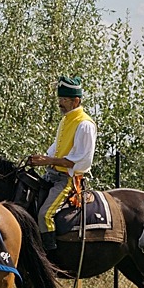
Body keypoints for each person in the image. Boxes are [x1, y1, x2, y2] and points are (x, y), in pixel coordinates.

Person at [27, 75, 96, 253]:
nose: (60, 103)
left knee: (45, 214)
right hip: (52, 175)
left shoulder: (85, 124)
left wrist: (48, 160)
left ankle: (48, 254)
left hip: (66, 179)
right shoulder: (66, 120)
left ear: (76, 101)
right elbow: (57, 148)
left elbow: (81, 160)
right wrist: (41, 159)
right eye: (59, 99)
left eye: (64, 99)